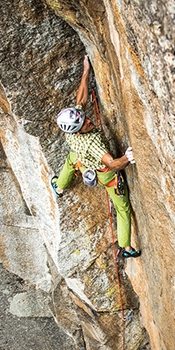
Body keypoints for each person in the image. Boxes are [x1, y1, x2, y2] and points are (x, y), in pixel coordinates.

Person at [51, 55, 141, 258]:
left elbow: (80, 99)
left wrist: (85, 72)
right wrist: (127, 158)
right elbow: (112, 163)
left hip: (84, 163)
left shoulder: (71, 126)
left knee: (72, 159)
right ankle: (126, 248)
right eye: (86, 124)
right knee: (123, 208)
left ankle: (59, 186)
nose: (89, 121)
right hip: (106, 175)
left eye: (86, 119)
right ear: (78, 131)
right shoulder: (93, 143)